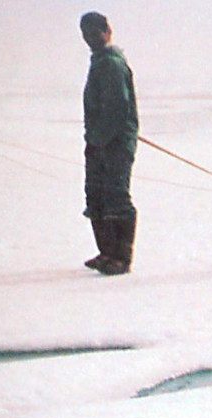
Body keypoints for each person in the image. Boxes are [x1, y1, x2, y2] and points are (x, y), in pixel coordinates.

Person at [80, 12, 139, 275]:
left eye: (94, 32)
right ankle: (106, 253)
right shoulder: (100, 62)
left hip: (113, 143)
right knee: (97, 195)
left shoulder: (112, 64)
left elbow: (116, 108)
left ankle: (121, 258)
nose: (90, 38)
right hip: (99, 142)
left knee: (115, 195)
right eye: (86, 34)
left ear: (107, 31)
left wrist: (99, 138)